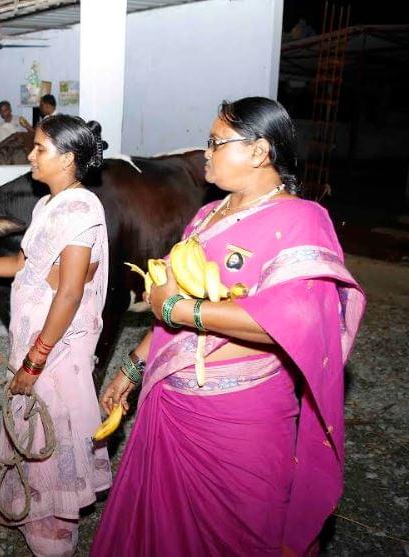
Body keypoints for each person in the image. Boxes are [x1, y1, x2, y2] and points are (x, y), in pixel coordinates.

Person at [91, 97, 366, 556]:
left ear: (259, 152)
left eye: (216, 143)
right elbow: (168, 306)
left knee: (241, 533)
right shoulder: (206, 215)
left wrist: (182, 311)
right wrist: (133, 369)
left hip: (241, 415)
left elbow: (291, 321)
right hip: (172, 403)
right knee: (161, 530)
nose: (205, 152)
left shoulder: (302, 220)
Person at [0, 114, 110, 557]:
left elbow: (70, 291)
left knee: (55, 427)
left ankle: (55, 536)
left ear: (68, 158)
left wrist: (37, 358)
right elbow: (23, 265)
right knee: (32, 425)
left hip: (57, 346)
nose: (30, 155)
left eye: (39, 148)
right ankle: (34, 508)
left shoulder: (81, 209)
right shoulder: (47, 205)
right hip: (34, 337)